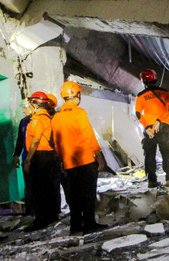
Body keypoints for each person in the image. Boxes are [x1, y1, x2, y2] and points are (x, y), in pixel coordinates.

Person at [52, 81, 107, 234]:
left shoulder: (56, 117)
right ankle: (89, 224)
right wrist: (99, 156)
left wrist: (61, 160)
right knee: (88, 194)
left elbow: (56, 142)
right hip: (85, 160)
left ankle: (75, 226)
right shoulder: (79, 113)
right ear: (77, 94)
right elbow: (88, 135)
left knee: (74, 196)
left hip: (69, 163)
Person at [134, 69, 169, 188]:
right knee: (167, 154)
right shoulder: (165, 93)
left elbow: (138, 114)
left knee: (149, 155)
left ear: (143, 81)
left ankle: (152, 181)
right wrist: (159, 121)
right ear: (155, 79)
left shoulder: (140, 96)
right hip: (163, 126)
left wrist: (147, 127)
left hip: (149, 128)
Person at [23, 91, 58, 230]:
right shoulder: (47, 118)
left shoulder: (38, 120)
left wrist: (28, 159)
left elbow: (35, 140)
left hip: (40, 157)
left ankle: (41, 220)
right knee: (47, 188)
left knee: (38, 190)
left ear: (36, 104)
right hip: (48, 157)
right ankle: (50, 216)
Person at [12, 101, 33, 213]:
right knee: (28, 186)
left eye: (27, 107)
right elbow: (20, 140)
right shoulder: (23, 121)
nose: (25, 110)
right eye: (24, 108)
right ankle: (30, 210)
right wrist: (16, 155)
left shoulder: (38, 120)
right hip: (25, 158)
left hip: (37, 158)